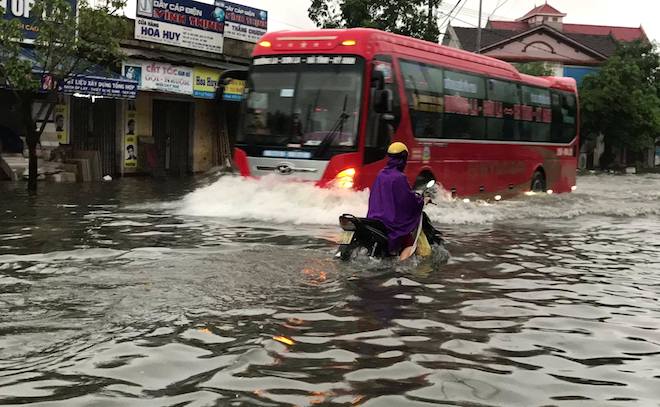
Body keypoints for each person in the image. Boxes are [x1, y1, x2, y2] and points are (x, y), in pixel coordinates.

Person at [366, 142, 426, 255]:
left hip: (374, 219)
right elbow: (407, 201)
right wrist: (420, 201)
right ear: (403, 159)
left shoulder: (381, 174)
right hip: (390, 223)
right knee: (409, 224)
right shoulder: (399, 177)